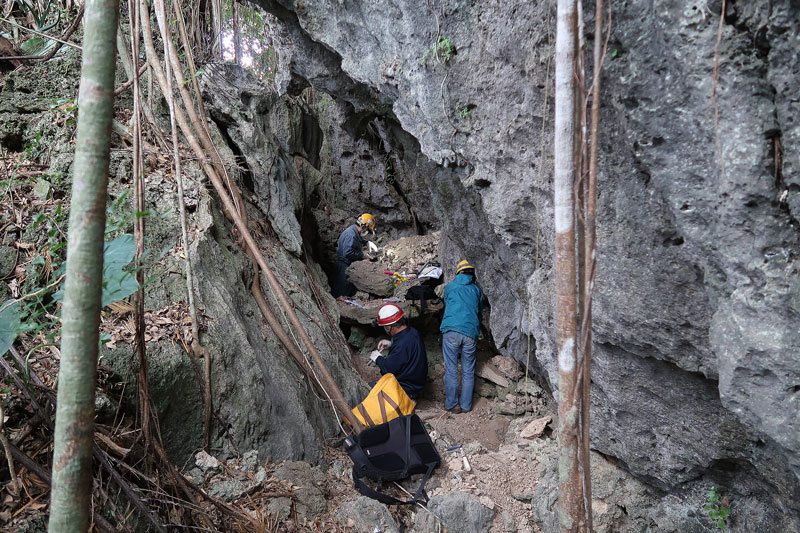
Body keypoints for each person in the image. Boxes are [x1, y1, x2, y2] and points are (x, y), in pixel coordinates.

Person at [440, 260, 484, 414]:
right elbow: (479, 312)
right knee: (468, 370)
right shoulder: (477, 290)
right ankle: (466, 405)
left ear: (458, 272)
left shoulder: (450, 287)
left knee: (451, 369)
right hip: (470, 333)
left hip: (451, 330)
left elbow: (446, 304)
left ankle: (453, 404)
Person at [370, 303, 428, 399]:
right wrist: (391, 344)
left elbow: (389, 369)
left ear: (391, 326)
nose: (385, 330)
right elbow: (406, 350)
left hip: (406, 388)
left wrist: (378, 358)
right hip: (416, 381)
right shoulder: (412, 332)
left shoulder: (402, 344)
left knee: (368, 389)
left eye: (385, 327)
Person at [332, 213, 377, 298]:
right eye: (367, 230)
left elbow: (358, 239)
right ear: (363, 226)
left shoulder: (354, 231)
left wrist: (366, 242)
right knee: (341, 293)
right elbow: (348, 253)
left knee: (347, 289)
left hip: (345, 264)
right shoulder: (351, 235)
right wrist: (363, 255)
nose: (366, 232)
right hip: (343, 266)